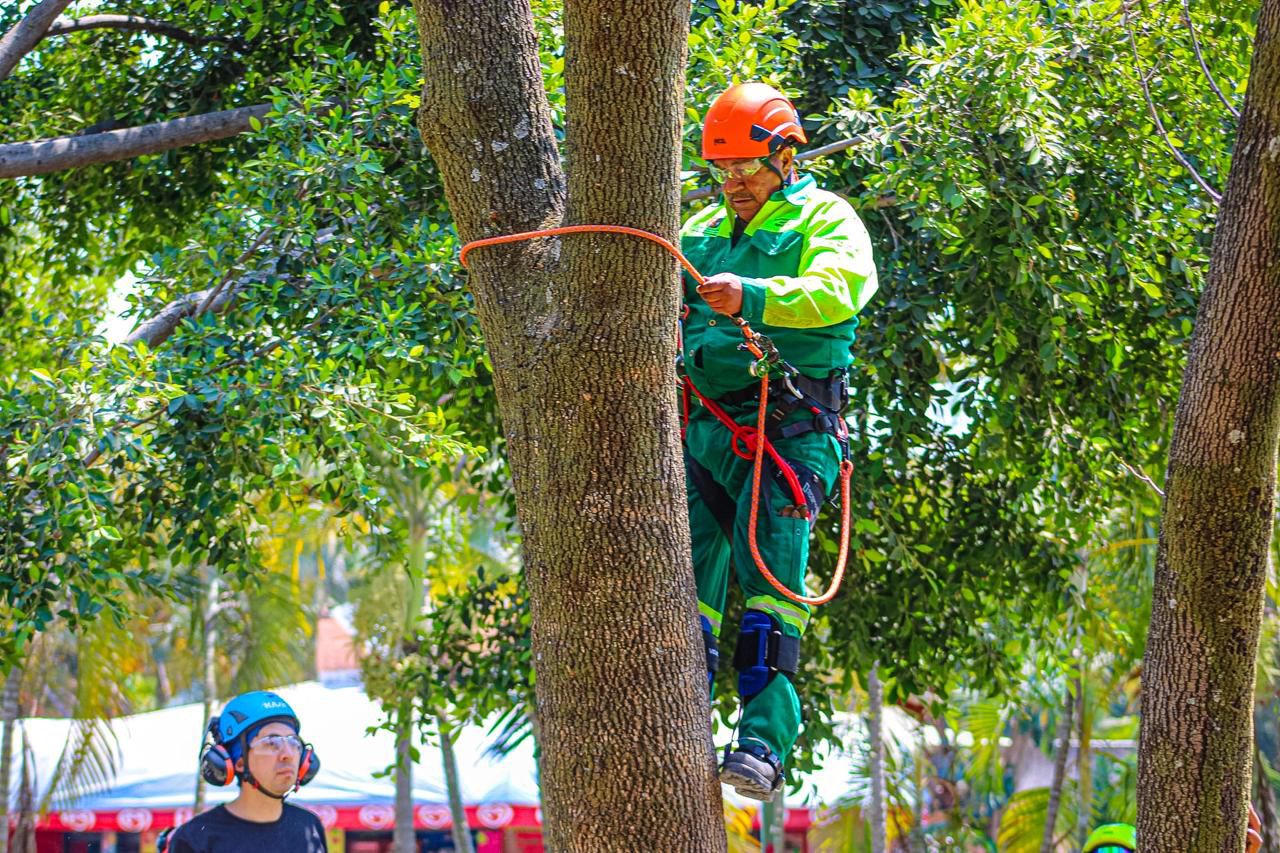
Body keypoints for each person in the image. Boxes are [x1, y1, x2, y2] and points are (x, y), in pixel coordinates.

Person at [680, 81, 878, 801]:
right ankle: (680, 719)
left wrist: (753, 295)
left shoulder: (825, 218)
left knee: (773, 585)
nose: (734, 181)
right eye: (722, 168)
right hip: (705, 426)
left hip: (789, 430)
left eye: (747, 167)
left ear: (785, 157)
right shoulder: (701, 227)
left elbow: (840, 289)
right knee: (685, 583)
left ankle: (762, 741)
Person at [163, 690, 327, 852]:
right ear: (240, 762)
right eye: (272, 742)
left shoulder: (310, 827)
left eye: (293, 742)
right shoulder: (195, 840)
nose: (288, 754)